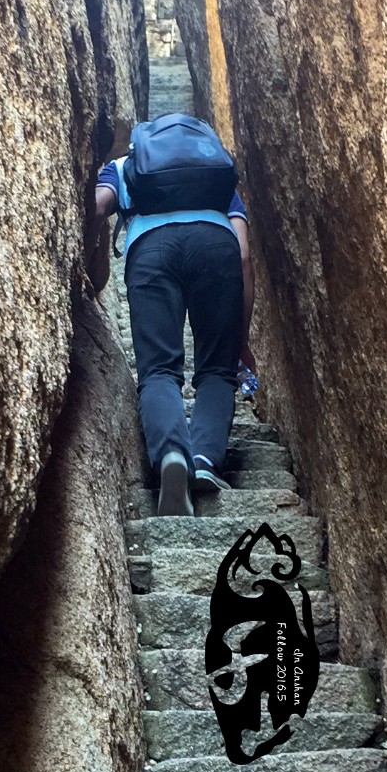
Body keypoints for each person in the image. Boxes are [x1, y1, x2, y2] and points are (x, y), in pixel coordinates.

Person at [89, 118, 256, 517]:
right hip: (218, 246)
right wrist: (242, 339)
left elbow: (97, 206)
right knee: (218, 367)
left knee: (159, 369)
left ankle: (170, 456)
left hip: (150, 250)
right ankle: (204, 460)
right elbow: (245, 255)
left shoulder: (128, 164)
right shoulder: (216, 173)